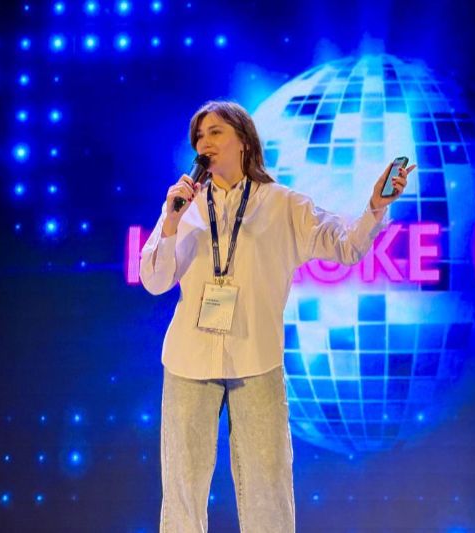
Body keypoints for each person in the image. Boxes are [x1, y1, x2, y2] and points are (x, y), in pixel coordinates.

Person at [139, 100, 414, 533]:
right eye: (199, 136)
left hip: (256, 360)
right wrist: (170, 222)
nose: (204, 142)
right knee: (182, 490)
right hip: (188, 360)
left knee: (268, 488)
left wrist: (375, 207)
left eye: (215, 132)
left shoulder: (282, 204)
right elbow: (154, 280)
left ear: (244, 141)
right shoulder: (184, 207)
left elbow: (346, 246)